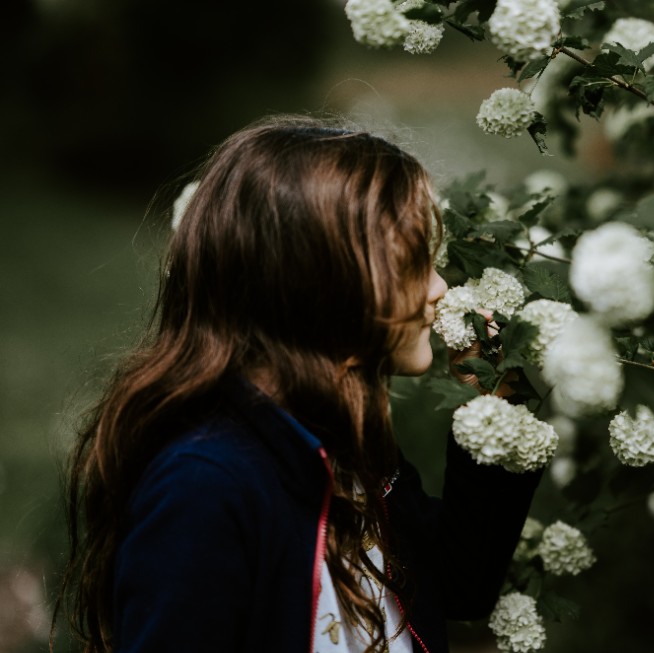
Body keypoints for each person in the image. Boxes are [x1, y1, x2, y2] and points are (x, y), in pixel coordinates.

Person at [57, 116, 542, 653]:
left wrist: (494, 405)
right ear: (327, 284)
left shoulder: (342, 442)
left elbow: (459, 583)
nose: (439, 287)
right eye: (412, 263)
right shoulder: (204, 489)